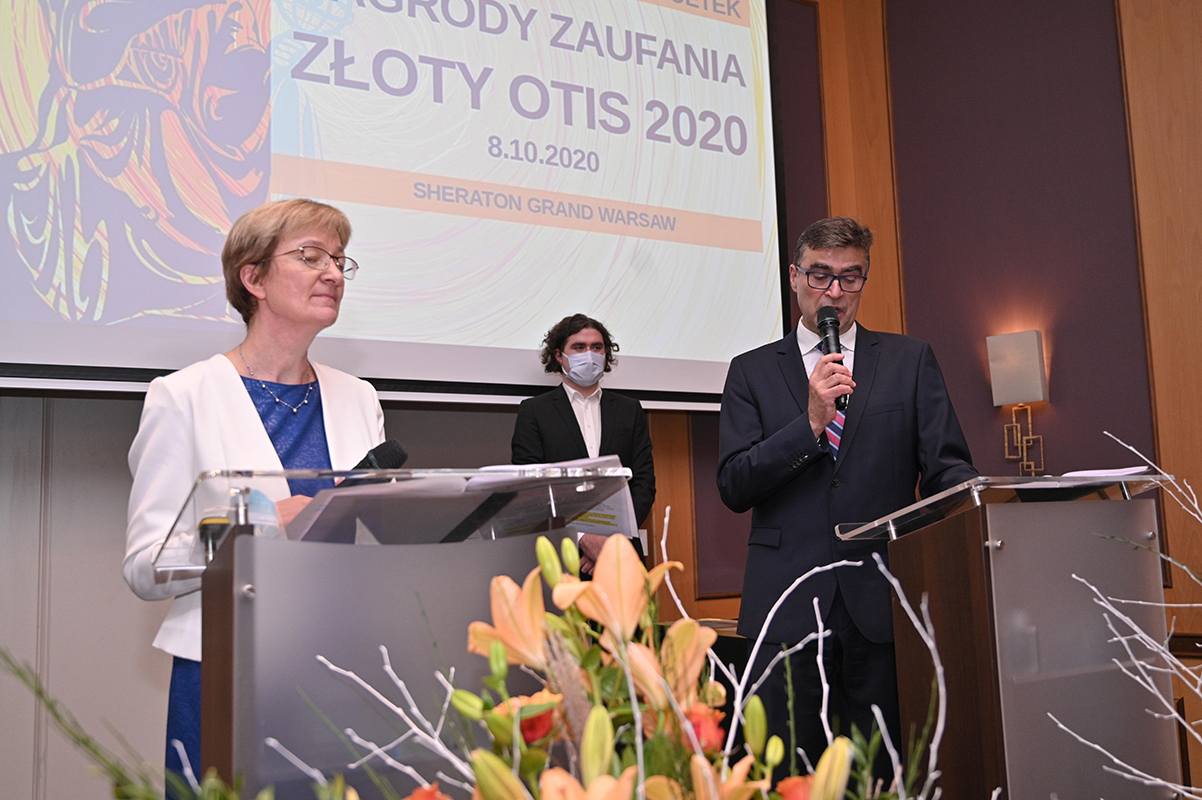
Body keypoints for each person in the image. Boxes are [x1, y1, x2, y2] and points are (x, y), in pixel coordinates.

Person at [122, 198, 385, 787]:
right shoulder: (183, 396)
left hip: (344, 668)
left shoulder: (359, 397)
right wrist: (261, 525)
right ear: (254, 278)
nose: (333, 273)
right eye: (311, 257)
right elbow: (145, 565)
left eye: (340, 260)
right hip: (226, 670)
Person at [717, 217, 976, 771]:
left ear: (864, 280)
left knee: (879, 772)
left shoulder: (909, 361)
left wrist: (981, 507)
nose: (834, 292)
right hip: (785, 607)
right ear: (794, 277)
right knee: (786, 772)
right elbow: (735, 484)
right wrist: (810, 423)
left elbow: (947, 471)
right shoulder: (751, 371)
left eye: (849, 277)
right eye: (820, 275)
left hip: (880, 605)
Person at [511, 314, 656, 535]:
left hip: (620, 545)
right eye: (579, 347)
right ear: (559, 356)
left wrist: (616, 535)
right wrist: (581, 538)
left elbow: (643, 483)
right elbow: (530, 488)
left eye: (597, 347)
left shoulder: (630, 410)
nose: (589, 355)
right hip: (560, 546)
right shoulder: (534, 411)